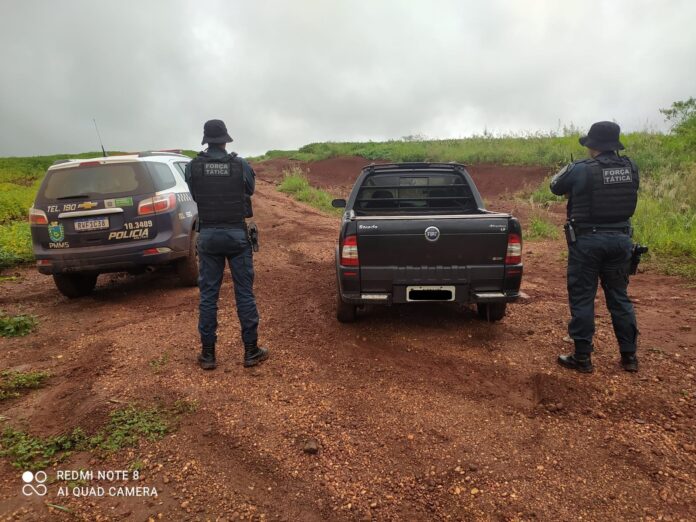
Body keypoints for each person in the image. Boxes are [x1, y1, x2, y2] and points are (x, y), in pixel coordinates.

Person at [550, 121, 639, 373]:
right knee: (620, 298)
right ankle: (629, 357)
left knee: (582, 297)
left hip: (587, 242)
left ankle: (582, 357)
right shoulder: (631, 167)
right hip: (621, 240)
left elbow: (555, 187)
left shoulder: (581, 169)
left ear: (593, 145)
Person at [184, 119, 268, 370]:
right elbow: (250, 191)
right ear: (225, 139)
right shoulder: (240, 164)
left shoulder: (193, 167)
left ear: (206, 140)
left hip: (208, 235)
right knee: (244, 293)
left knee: (208, 296)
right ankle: (251, 351)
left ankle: (208, 355)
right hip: (236, 235)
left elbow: (196, 195)